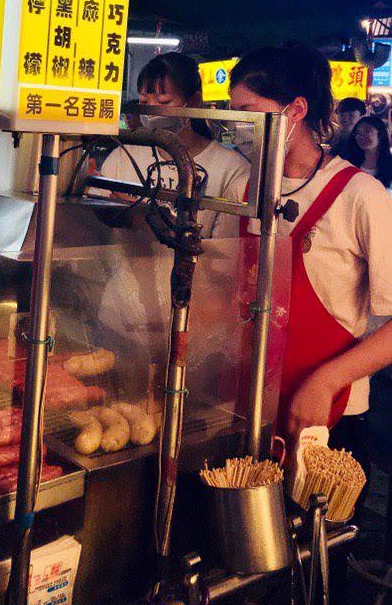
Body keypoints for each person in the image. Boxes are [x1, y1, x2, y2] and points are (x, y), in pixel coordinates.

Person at [229, 44, 392, 473]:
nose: (240, 126)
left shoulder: (361, 196)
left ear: (295, 110)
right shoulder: (244, 188)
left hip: (327, 413)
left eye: (249, 111)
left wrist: (325, 382)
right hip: (246, 403)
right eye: (233, 113)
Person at [99, 52, 249, 238]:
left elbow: (225, 249)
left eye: (164, 101)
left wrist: (141, 217)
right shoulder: (122, 157)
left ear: (193, 102)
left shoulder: (231, 169)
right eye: (144, 102)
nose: (151, 113)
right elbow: (95, 224)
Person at [341, 115, 392, 188]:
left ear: (380, 135)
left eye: (367, 131)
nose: (362, 136)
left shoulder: (389, 163)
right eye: (358, 133)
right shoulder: (349, 163)